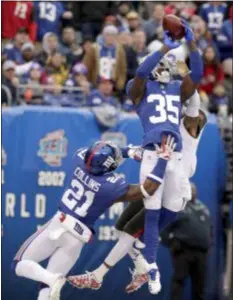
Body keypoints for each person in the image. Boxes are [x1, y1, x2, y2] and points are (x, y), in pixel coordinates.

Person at [68, 90, 207, 294]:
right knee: (120, 227)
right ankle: (142, 268)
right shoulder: (170, 125)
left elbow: (193, 111)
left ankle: (98, 275)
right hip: (157, 183)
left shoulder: (190, 131)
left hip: (171, 193)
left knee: (130, 232)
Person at [12, 138, 176, 300]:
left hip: (60, 224)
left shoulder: (78, 158)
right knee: (46, 290)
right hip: (78, 239)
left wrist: (127, 152)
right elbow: (147, 190)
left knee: (18, 264)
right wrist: (161, 160)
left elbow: (94, 153)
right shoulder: (110, 187)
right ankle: (52, 279)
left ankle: (51, 278)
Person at [120, 21, 202, 294]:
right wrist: (167, 44)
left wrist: (191, 43)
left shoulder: (178, 88)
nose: (165, 66)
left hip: (176, 156)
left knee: (175, 207)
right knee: (152, 216)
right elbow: (142, 71)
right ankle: (152, 268)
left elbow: (197, 74)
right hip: (154, 154)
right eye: (161, 61)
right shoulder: (139, 88)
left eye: (168, 62)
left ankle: (143, 249)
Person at [160, 183, 212, 300]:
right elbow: (163, 227)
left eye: (194, 190)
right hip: (183, 251)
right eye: (190, 190)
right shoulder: (177, 207)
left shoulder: (203, 208)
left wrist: (209, 245)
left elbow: (210, 229)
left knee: (200, 284)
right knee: (179, 281)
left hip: (201, 253)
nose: (193, 192)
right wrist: (171, 243)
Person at [83, 25, 127, 93]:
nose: (110, 37)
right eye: (108, 35)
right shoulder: (94, 48)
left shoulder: (119, 50)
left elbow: (122, 69)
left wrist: (120, 84)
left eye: (113, 35)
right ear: (103, 36)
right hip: (96, 85)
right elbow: (86, 66)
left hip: (113, 86)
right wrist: (87, 82)